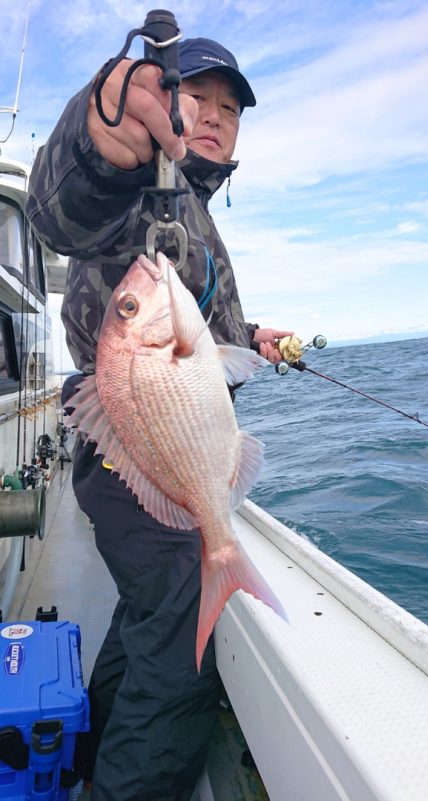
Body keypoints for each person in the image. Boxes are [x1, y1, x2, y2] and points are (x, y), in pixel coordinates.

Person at [27, 34, 292, 801]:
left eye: (229, 109)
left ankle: (92, 748)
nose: (213, 117)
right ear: (162, 102)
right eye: (198, 98)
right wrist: (95, 137)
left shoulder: (192, 210)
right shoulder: (135, 184)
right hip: (139, 456)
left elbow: (194, 339)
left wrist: (248, 338)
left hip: (156, 447)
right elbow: (61, 208)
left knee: (150, 619)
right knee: (180, 656)